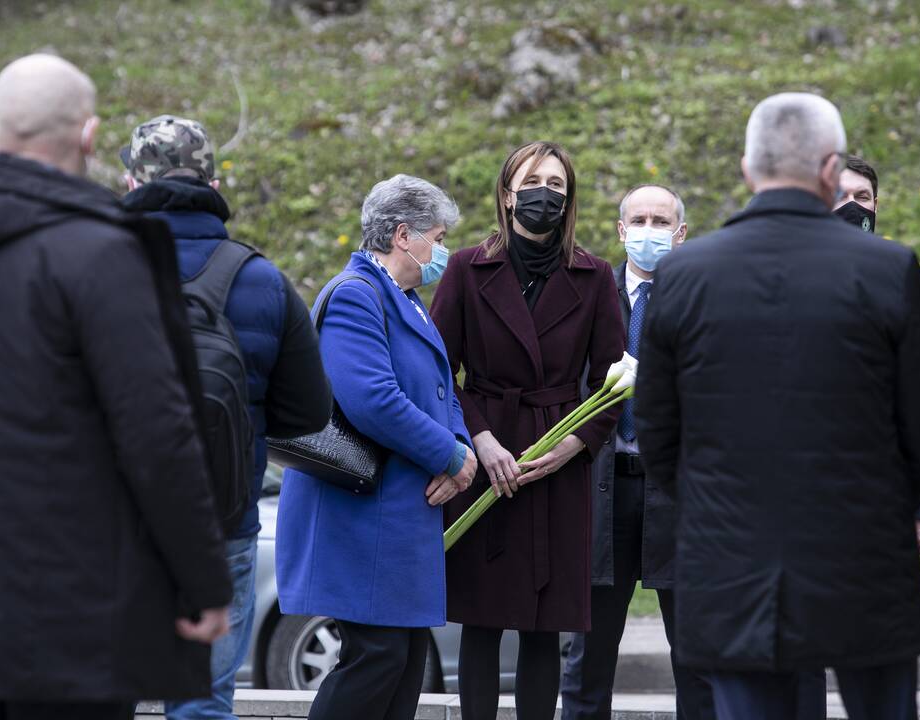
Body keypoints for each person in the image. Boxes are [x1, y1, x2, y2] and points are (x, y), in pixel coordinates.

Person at [634, 92, 920, 720]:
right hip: (863, 555)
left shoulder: (686, 275)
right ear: (832, 172)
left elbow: (658, 432)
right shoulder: (889, 268)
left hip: (731, 554)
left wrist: (715, 502)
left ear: (748, 170)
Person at [0, 54, 232, 720]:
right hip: (73, 625)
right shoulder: (102, 255)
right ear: (88, 135)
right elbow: (157, 434)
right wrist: (203, 581)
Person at [119, 114, 333, 720]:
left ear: (133, 182)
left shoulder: (95, 264)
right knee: (205, 699)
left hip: (112, 525)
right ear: (214, 184)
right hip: (225, 520)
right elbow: (309, 413)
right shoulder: (261, 279)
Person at [431, 141, 625, 720]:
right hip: (485, 452)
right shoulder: (467, 267)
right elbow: (439, 368)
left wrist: (576, 444)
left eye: (558, 185)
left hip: (556, 466)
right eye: (534, 180)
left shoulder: (594, 276)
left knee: (546, 627)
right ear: (508, 192)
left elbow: (613, 380)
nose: (546, 193)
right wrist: (479, 438)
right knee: (483, 622)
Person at [275, 174, 477, 720]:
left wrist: (459, 440)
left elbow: (442, 388)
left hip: (397, 520)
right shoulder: (355, 296)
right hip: (362, 518)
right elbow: (373, 400)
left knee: (404, 662)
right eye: (438, 236)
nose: (443, 251)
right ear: (404, 235)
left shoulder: (407, 301)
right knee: (377, 658)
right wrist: (451, 456)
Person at [560, 184, 713, 720]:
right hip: (605, 487)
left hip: (680, 492)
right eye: (640, 220)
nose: (651, 230)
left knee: (698, 655)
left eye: (662, 220)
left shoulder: (704, 300)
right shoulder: (589, 299)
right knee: (588, 654)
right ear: (622, 231)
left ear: (681, 233)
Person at [834, 154, 920, 300]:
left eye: (862, 197)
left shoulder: (910, 278)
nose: (852, 204)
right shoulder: (803, 271)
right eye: (841, 196)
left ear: (875, 205)